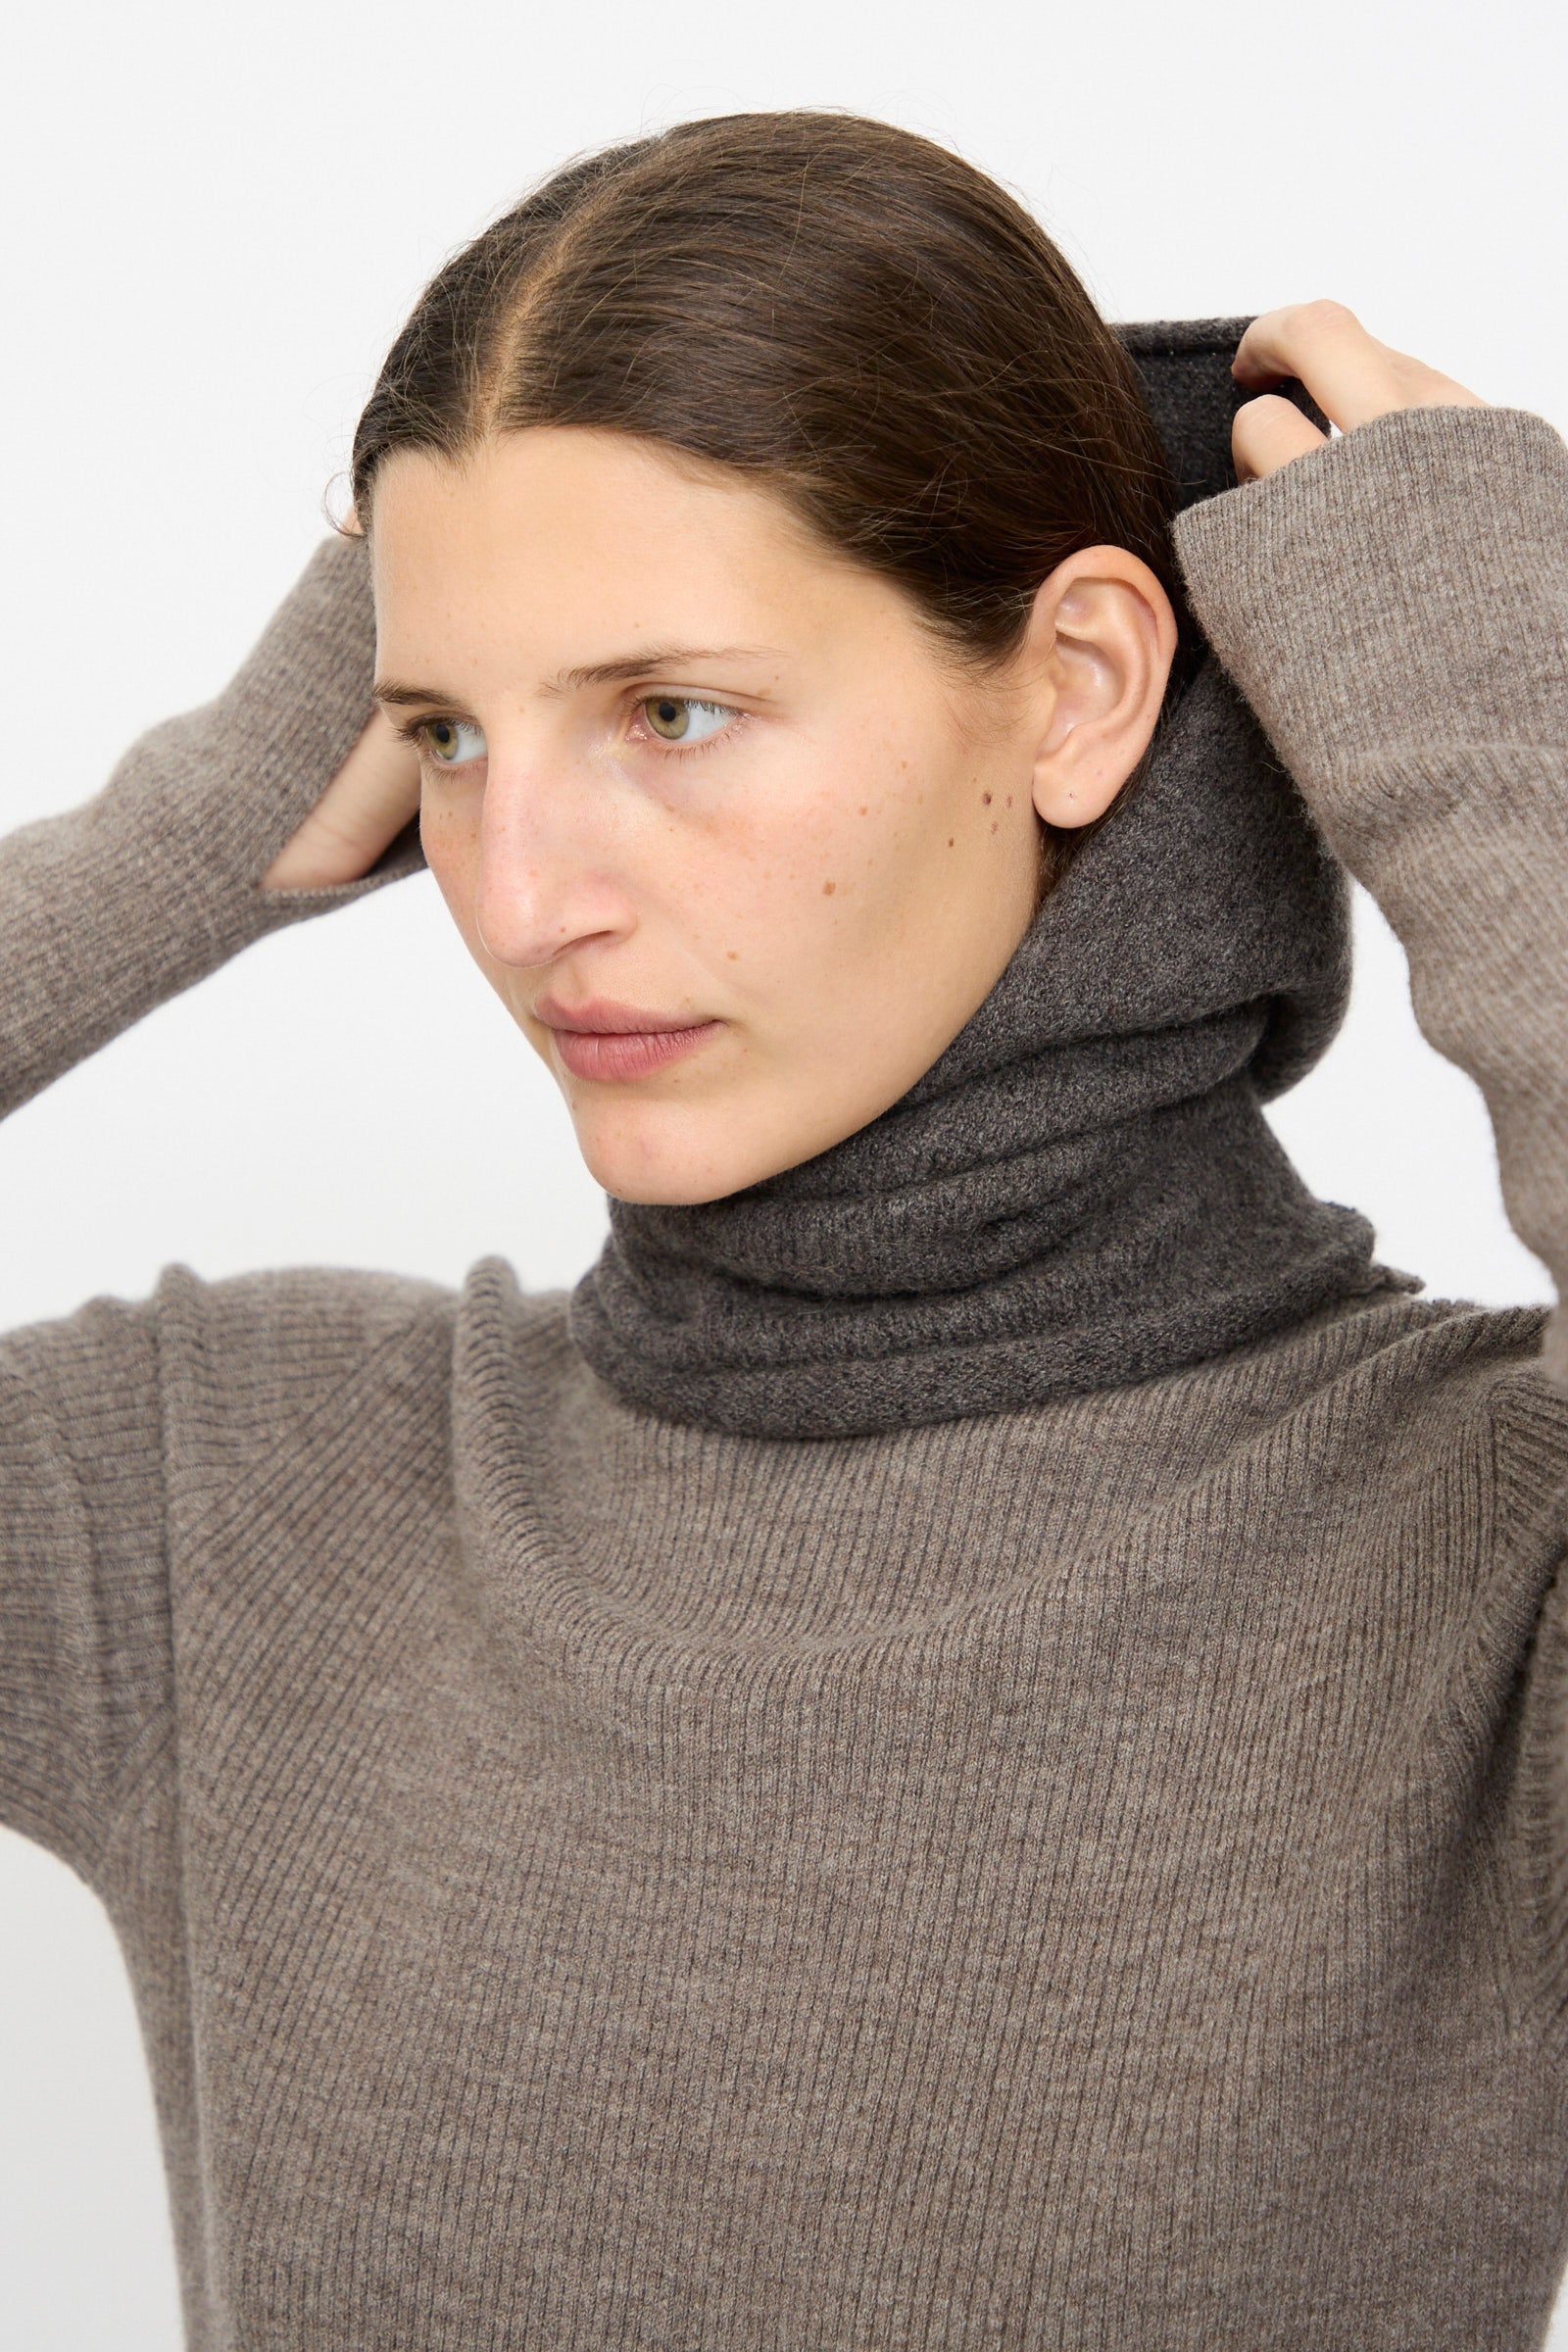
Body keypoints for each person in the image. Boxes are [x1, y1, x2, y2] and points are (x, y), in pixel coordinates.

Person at [2, 105, 1565, 2350]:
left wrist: (1484, 711)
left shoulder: (1476, 1556)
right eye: (443, 731)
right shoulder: (222, 1491)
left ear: (1077, 688)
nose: (524, 896)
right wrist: (196, 829)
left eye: (672, 709)